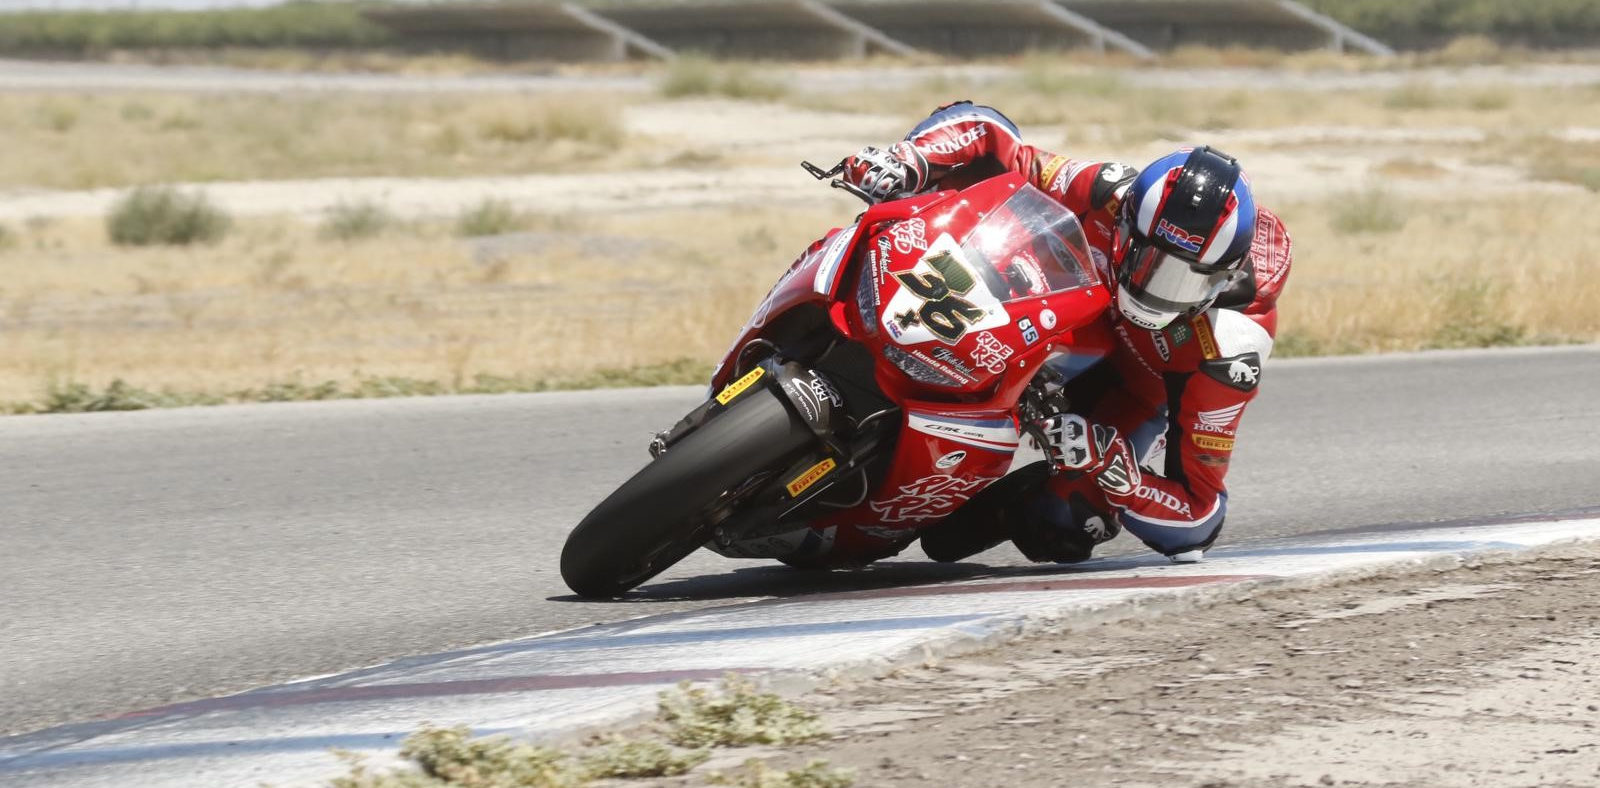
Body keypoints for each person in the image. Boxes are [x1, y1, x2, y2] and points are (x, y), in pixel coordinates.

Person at [839, 101, 1294, 565]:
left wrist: (1113, 466)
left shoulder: (1230, 349)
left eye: (1182, 281)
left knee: (1064, 523)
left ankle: (977, 506)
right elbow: (994, 136)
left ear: (1220, 279)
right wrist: (911, 159)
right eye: (1147, 262)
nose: (1153, 291)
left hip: (1128, 396)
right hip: (1058, 312)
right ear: (1129, 224)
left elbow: (1200, 519)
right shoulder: (1110, 192)